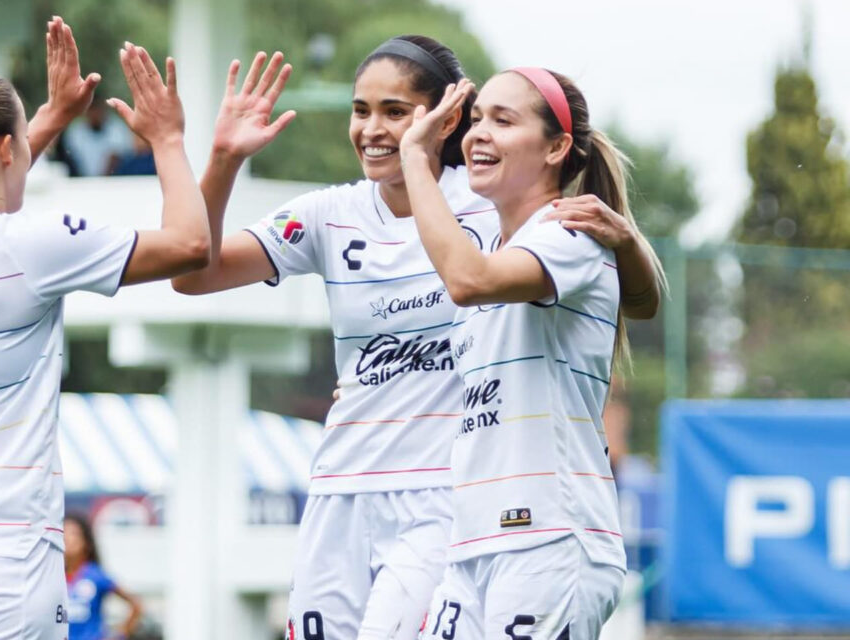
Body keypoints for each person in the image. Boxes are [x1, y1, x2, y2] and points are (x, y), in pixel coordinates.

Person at [172, 38, 662, 640]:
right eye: (361, 110)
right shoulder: (332, 214)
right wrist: (222, 157)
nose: (374, 129)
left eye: (395, 111)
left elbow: (621, 298)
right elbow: (194, 274)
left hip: (451, 500)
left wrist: (629, 242)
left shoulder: (494, 206)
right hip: (344, 491)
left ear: (441, 118)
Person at [0, 16, 208, 639]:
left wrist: (50, 115)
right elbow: (191, 244)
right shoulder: (30, 245)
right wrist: (167, 138)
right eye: (23, 136)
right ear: (4, 148)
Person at [400, 70, 663, 640]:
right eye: (475, 120)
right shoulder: (503, 248)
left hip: (548, 539)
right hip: (475, 545)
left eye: (503, 119)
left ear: (556, 148)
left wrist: (415, 163)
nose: (478, 135)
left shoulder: (565, 234)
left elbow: (466, 280)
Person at [64, 513, 143, 640]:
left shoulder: (95, 575)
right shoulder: (53, 577)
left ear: (86, 542)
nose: (66, 538)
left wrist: (120, 635)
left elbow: (136, 605)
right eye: (63, 532)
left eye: (73, 533)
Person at [63, 99, 134, 176]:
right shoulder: (76, 131)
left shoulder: (117, 128)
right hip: (81, 179)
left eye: (97, 110)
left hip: (114, 179)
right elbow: (73, 159)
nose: (95, 114)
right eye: (92, 110)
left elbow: (117, 157)